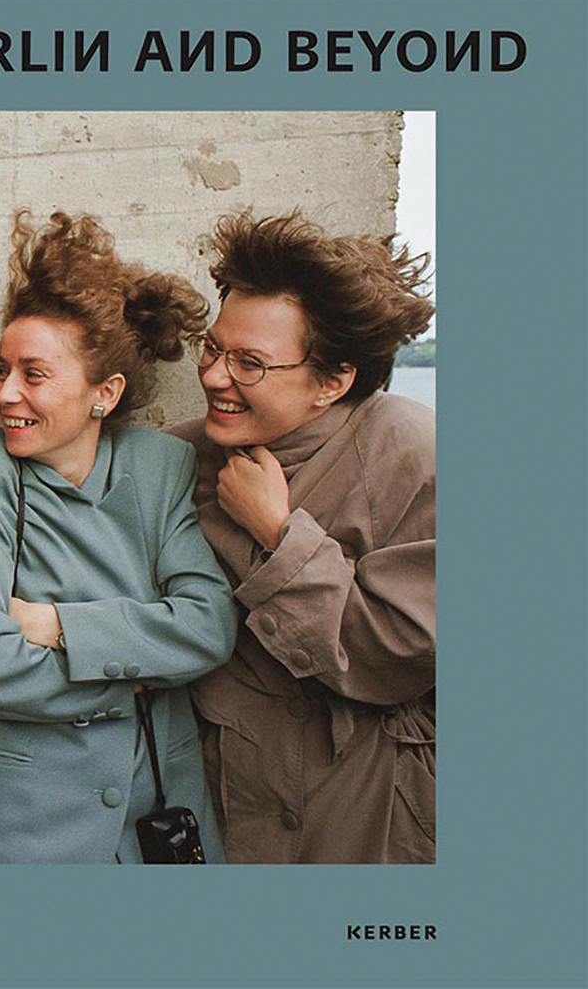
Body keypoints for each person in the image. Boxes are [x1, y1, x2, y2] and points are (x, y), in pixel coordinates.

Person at [0, 210, 237, 864]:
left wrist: (56, 626)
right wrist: (136, 677)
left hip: (152, 808)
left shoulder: (160, 468)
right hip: (21, 821)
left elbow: (208, 626)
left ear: (105, 393)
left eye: (33, 375)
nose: (4, 393)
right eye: (0, 368)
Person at [170, 209, 436, 863]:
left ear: (332, 381)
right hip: (227, 799)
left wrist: (278, 531)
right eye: (212, 348)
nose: (212, 377)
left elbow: (394, 655)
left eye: (249, 363)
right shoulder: (178, 458)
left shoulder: (412, 453)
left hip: (368, 803)